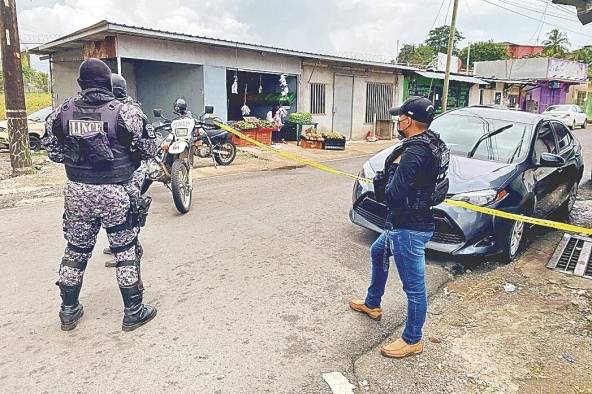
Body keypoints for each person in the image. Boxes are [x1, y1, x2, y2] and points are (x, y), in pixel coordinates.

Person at [42, 59, 158, 332]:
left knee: (76, 249)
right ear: (109, 84)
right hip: (116, 191)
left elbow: (52, 150)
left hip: (77, 190)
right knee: (125, 250)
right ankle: (133, 311)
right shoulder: (125, 112)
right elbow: (149, 150)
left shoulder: (62, 112)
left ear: (81, 84)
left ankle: (68, 311)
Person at [349, 97, 449, 358]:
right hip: (407, 224)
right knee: (377, 251)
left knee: (414, 288)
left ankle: (413, 339)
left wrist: (384, 181)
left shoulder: (414, 152)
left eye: (400, 117)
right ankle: (372, 304)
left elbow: (393, 195)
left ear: (409, 120)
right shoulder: (433, 142)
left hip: (409, 229)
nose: (397, 121)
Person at [103, 74, 153, 266]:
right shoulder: (109, 109)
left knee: (129, 211)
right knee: (114, 211)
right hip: (115, 171)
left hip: (132, 170)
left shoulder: (131, 111)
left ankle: (131, 251)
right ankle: (120, 246)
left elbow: (148, 147)